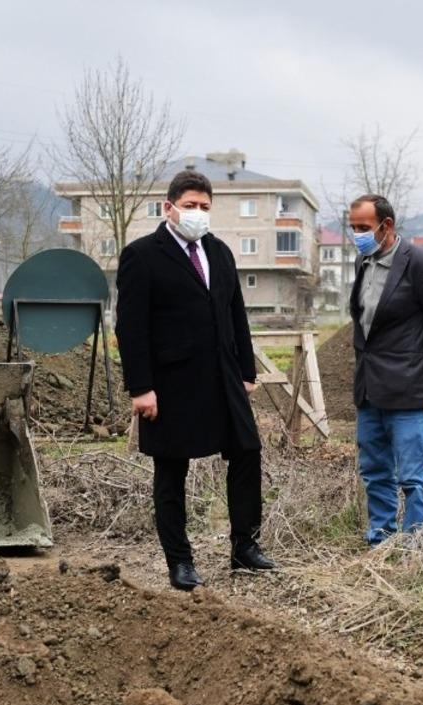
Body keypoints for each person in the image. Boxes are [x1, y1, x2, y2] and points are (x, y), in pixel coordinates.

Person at [115, 170, 276, 591]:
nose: (198, 213)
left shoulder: (219, 252)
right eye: (190, 206)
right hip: (171, 384)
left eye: (205, 207)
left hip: (223, 378)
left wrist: (246, 371)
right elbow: (130, 328)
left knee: (247, 452)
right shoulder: (142, 255)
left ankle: (245, 546)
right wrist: (140, 387)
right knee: (171, 471)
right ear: (169, 208)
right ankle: (180, 561)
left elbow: (235, 313)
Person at [347, 194, 423, 545]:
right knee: (375, 470)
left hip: (409, 389)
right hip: (369, 388)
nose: (357, 235)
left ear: (387, 225)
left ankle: (417, 544)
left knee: (412, 475)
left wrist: (422, 367)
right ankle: (380, 538)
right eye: (353, 228)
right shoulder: (362, 262)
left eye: (363, 228)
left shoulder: (422, 264)